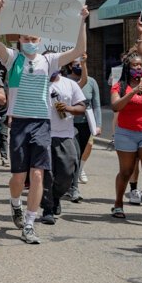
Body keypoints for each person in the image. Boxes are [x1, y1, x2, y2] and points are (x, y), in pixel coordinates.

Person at [0, 0, 88, 244]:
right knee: (18, 178)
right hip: (20, 123)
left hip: (42, 123)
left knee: (38, 175)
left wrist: (82, 21)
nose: (30, 43)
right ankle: (15, 204)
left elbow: (77, 51)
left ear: (40, 41)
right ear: (19, 40)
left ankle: (30, 223)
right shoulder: (13, 59)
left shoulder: (49, 60)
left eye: (34, 40)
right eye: (26, 39)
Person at [110, 51, 142, 229]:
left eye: (141, 65)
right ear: (128, 68)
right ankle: (118, 203)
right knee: (126, 171)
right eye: (135, 65)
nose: (139, 67)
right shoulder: (120, 86)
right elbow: (116, 106)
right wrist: (133, 93)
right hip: (126, 133)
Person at [40, 68, 85, 224]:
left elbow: (81, 107)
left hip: (65, 135)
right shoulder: (37, 83)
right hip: (43, 134)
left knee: (67, 172)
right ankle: (47, 208)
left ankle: (55, 195)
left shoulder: (70, 84)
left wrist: (68, 108)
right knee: (47, 174)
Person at [65, 54, 101, 202]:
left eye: (81, 64)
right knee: (73, 155)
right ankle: (73, 188)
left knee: (78, 157)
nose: (79, 66)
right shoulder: (66, 81)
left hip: (86, 124)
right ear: (69, 66)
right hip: (70, 123)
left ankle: (70, 185)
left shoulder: (91, 82)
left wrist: (98, 124)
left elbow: (96, 104)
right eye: (76, 64)